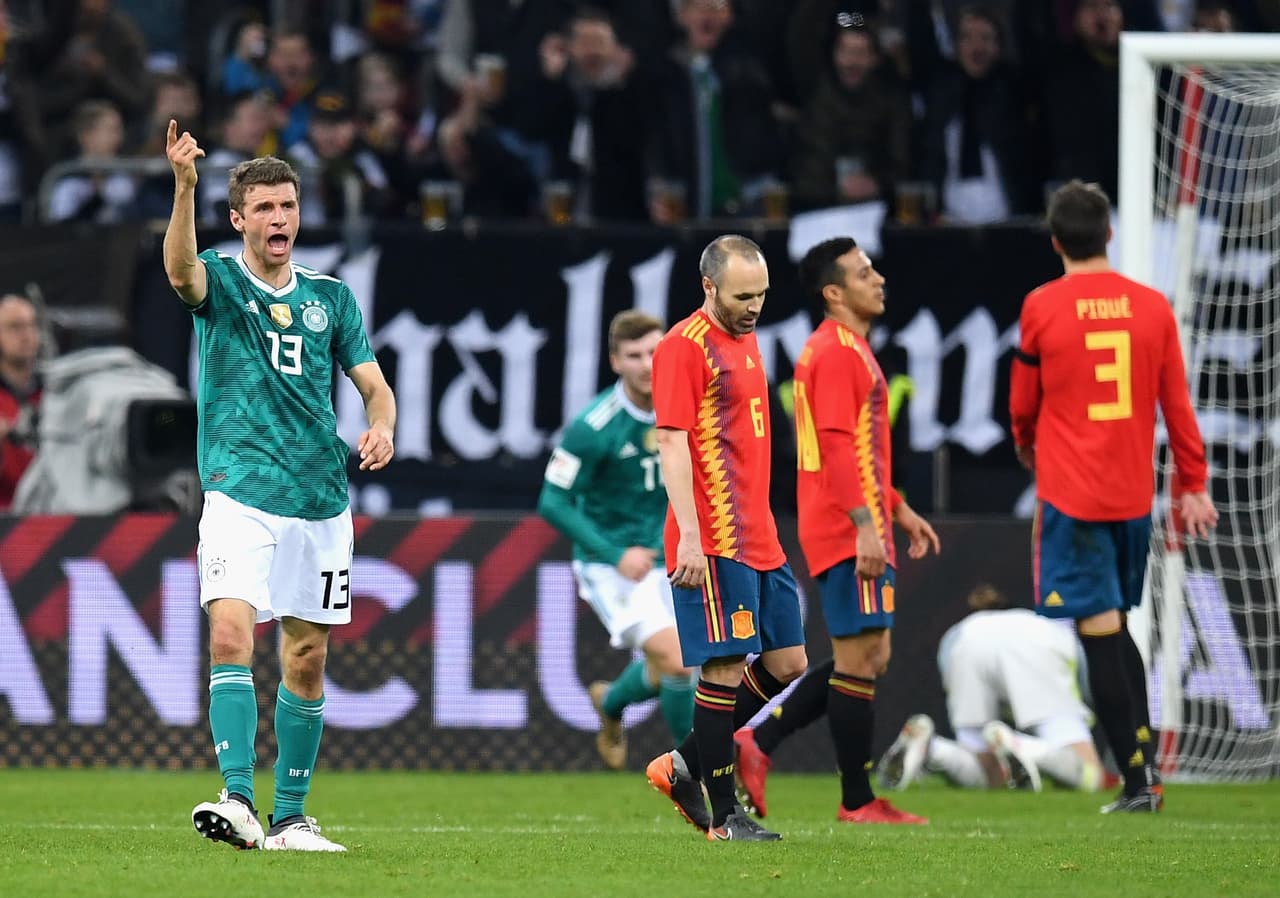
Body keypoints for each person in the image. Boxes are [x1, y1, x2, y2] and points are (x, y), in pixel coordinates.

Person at [163, 120, 396, 850]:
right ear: (238, 219)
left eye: (287, 207)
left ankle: (290, 817)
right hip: (237, 490)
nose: (278, 219)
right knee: (231, 631)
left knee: (306, 655)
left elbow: (373, 384)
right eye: (263, 209)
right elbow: (179, 273)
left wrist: (382, 424)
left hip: (319, 498)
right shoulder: (222, 282)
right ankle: (236, 799)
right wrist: (183, 187)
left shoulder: (332, 297)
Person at [1009, 179, 1218, 813]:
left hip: (1074, 496)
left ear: (1055, 241)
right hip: (1134, 498)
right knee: (1113, 623)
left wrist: (1028, 446)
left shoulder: (1041, 307)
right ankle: (1143, 771)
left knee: (1098, 630)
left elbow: (1022, 406)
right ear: (1109, 234)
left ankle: (1137, 782)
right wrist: (1194, 484)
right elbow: (1176, 406)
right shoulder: (1153, 308)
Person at [733, 236, 938, 825]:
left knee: (870, 654)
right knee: (858, 659)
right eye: (862, 272)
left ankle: (760, 743)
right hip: (846, 526)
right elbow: (834, 449)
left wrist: (896, 509)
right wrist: (866, 527)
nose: (877, 279)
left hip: (859, 518)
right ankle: (856, 800)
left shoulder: (846, 349)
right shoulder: (835, 352)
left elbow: (861, 456)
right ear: (833, 292)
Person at [645, 234, 808, 842]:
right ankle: (725, 814)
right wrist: (689, 535)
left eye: (762, 295)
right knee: (723, 668)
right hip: (713, 535)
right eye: (743, 296)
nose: (754, 306)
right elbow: (672, 441)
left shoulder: (745, 337)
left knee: (788, 661)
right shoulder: (682, 348)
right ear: (708, 286)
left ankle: (685, 761)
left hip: (759, 533)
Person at [536, 309, 696, 769]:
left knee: (673, 663)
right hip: (611, 565)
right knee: (680, 661)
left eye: (655, 351)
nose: (648, 364)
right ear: (615, 362)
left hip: (670, 556)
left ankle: (609, 702)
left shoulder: (683, 407)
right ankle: (699, 770)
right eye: (634, 355)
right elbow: (552, 501)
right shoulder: (594, 426)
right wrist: (613, 553)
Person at [877, 584, 1106, 793]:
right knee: (1091, 776)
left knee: (990, 775)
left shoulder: (960, 631)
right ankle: (1024, 747)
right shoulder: (1044, 627)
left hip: (966, 648)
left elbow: (946, 670)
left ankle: (932, 750)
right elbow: (1087, 679)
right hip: (1037, 647)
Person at [0, 292, 42, 509]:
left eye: (31, 325)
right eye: (15, 327)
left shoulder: (56, 392)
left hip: (55, 514)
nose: (26, 335)